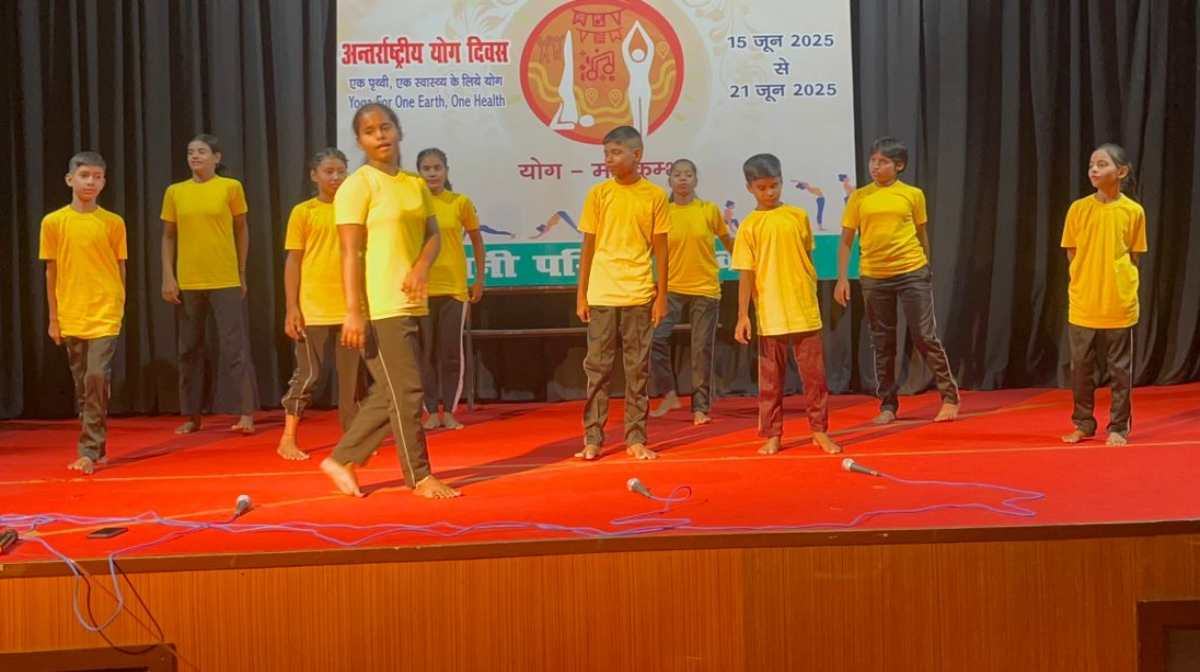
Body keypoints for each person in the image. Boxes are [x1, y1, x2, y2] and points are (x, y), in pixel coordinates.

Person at [319, 102, 459, 499]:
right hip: (380, 305)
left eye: (385, 127)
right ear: (360, 141)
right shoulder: (358, 185)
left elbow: (433, 236)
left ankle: (342, 458)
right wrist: (353, 311)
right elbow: (349, 253)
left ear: (398, 131)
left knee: (392, 391)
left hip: (414, 301)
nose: (379, 135)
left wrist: (420, 267)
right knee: (409, 392)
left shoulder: (414, 184)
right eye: (369, 131)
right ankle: (420, 476)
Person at [834, 137, 960, 424]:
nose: (875, 166)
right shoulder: (859, 197)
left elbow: (921, 232)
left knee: (924, 335)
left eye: (883, 161)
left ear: (899, 165)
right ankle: (888, 405)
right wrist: (842, 278)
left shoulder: (912, 194)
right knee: (882, 342)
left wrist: (926, 266)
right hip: (874, 276)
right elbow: (846, 241)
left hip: (911, 270)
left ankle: (949, 397)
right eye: (873, 160)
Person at [732, 154, 840, 455]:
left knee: (814, 377)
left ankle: (819, 430)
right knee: (770, 381)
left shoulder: (797, 216)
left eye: (774, 185)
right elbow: (746, 273)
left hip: (803, 307)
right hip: (770, 312)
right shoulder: (749, 226)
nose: (769, 192)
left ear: (781, 181)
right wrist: (743, 315)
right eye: (762, 188)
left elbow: (807, 255)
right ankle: (773, 434)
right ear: (749, 188)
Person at [575, 125, 669, 461]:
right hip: (602, 292)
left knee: (637, 369)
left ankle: (635, 437)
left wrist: (661, 296)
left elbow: (661, 249)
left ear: (637, 154)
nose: (609, 159)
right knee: (597, 368)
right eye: (606, 154)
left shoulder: (655, 196)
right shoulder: (598, 194)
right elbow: (588, 247)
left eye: (616, 153)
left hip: (639, 292)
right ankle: (593, 437)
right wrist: (581, 294)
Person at [160, 134, 258, 434]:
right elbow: (168, 236)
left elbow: (242, 230)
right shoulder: (175, 192)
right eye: (191, 152)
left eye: (202, 151)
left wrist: (241, 273)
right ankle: (192, 415)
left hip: (224, 278)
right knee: (189, 349)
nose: (195, 156)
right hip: (189, 280)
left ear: (216, 157)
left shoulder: (230, 187)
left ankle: (246, 413)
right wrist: (168, 276)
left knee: (234, 347)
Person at [40, 151, 127, 475]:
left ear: (104, 182)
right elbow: (51, 271)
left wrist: (119, 302)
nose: (91, 182)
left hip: (105, 311)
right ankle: (97, 444)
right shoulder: (53, 222)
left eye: (98, 177)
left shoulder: (113, 222)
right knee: (83, 385)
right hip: (71, 312)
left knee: (96, 376)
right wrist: (54, 318)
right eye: (85, 175)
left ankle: (88, 450)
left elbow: (120, 266)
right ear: (70, 179)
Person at [277, 148, 366, 460]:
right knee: (309, 374)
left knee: (352, 380)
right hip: (313, 307)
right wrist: (292, 307)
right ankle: (288, 438)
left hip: (350, 308)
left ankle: (352, 442)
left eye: (341, 171)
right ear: (314, 175)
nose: (336, 177)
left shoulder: (357, 211)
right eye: (329, 171)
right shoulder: (304, 212)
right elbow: (293, 261)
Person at [1060, 143, 1147, 447]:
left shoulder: (1133, 212)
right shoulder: (1078, 209)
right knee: (1081, 369)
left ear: (1121, 172)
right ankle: (1083, 423)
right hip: (1084, 301)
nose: (1093, 170)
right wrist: (1085, 279)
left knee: (1119, 370)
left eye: (1101, 164)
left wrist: (1119, 283)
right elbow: (1071, 252)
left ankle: (1119, 427)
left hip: (1118, 302)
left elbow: (1134, 256)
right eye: (1091, 165)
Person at [649, 159, 732, 425]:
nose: (683, 179)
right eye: (677, 175)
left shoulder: (708, 210)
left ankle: (700, 408)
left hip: (705, 289)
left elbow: (729, 242)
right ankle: (669, 394)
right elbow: (650, 248)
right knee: (654, 339)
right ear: (669, 180)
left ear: (696, 180)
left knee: (700, 350)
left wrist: (750, 268)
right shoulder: (662, 212)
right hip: (670, 289)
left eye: (688, 174)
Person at [416, 147, 485, 430]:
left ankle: (450, 411)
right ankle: (432, 411)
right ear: (419, 173)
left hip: (454, 289)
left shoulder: (460, 202)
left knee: (451, 353)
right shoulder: (414, 205)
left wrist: (479, 279)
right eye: (426, 169)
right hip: (421, 290)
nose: (432, 173)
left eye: (437, 168)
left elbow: (477, 241)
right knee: (424, 353)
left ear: (446, 171)